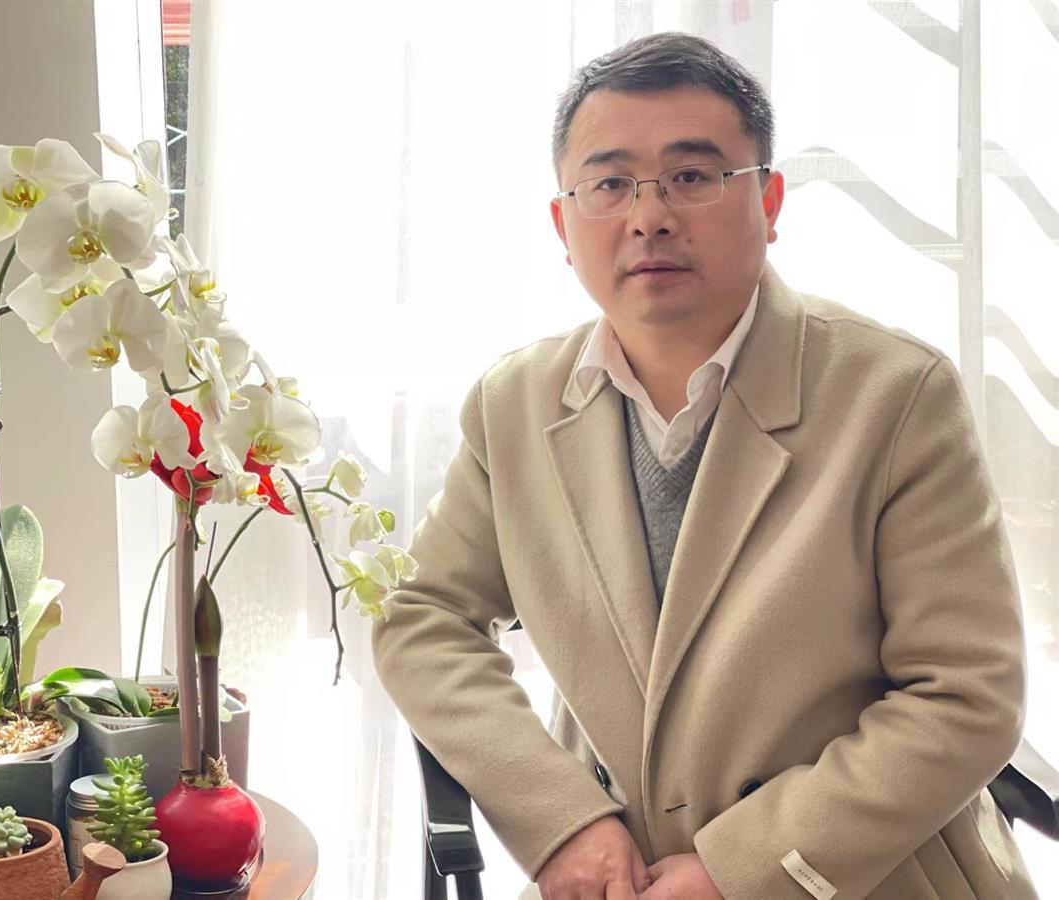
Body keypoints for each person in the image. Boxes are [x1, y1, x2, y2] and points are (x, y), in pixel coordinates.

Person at [371, 31, 1038, 900]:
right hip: (616, 876)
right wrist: (561, 820)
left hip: (855, 872)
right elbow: (423, 614)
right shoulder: (515, 404)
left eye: (692, 176)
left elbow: (966, 695)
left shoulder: (896, 395)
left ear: (769, 200)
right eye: (609, 183)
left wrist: (741, 869)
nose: (648, 216)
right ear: (564, 225)